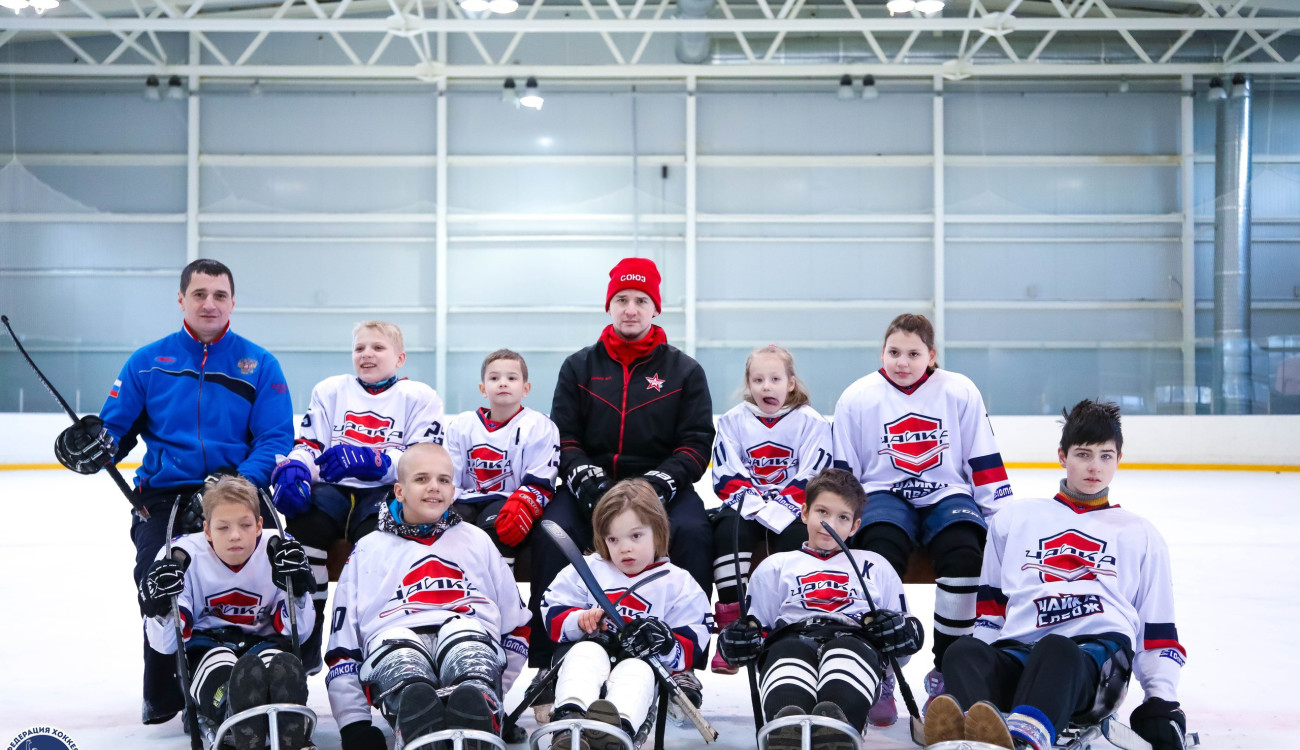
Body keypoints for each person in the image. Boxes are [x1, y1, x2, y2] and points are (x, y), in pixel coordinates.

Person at [52, 258, 295, 725]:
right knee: (160, 577)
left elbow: (275, 439)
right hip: (166, 494)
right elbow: (115, 432)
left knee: (272, 568)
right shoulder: (147, 362)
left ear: (233, 303)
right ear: (181, 299)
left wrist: (235, 487)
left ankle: (267, 672)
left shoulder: (260, 364)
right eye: (199, 294)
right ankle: (169, 693)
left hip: (239, 488)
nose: (209, 304)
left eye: (219, 295)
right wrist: (91, 446)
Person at [923, 400, 1188, 750]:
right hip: (1021, 655)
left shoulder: (1140, 534)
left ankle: (1025, 738)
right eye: (1083, 454)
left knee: (1056, 648)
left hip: (1095, 664)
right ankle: (978, 730)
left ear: (1119, 459)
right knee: (962, 652)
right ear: (1062, 456)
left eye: (1106, 456)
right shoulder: (1014, 520)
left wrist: (1161, 699)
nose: (1095, 467)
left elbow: (1157, 632)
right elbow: (990, 613)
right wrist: (977, 668)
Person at [529, 257, 716, 718]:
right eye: (622, 300)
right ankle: (549, 660)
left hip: (659, 485)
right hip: (592, 485)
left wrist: (662, 481)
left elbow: (696, 441)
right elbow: (563, 435)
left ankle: (682, 665)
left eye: (641, 300)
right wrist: (583, 476)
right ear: (609, 306)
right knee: (552, 532)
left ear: (655, 308)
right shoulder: (579, 366)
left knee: (694, 532)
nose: (631, 309)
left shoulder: (685, 370)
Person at [832, 312, 1012, 718]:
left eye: (913, 354)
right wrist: (842, 521)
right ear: (882, 352)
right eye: (894, 352)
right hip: (881, 493)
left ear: (931, 355)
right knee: (878, 557)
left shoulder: (959, 390)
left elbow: (982, 457)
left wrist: (1001, 520)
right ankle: (880, 668)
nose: (902, 362)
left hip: (948, 493)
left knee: (965, 555)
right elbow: (845, 472)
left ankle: (948, 670)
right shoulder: (857, 397)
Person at [324, 442, 531, 750]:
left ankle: (476, 713)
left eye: (443, 480)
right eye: (421, 479)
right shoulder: (368, 548)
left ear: (454, 490)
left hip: (468, 638)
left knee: (465, 639)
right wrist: (355, 724)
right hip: (395, 643)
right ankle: (418, 724)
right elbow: (343, 645)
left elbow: (517, 627)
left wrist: (495, 694)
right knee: (400, 653)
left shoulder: (477, 541)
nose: (434, 487)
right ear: (399, 491)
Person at [269, 320, 444, 672]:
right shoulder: (330, 390)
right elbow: (310, 446)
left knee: (378, 543)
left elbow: (424, 460)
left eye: (378, 347)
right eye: (359, 348)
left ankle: (370, 640)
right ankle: (305, 636)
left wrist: (376, 461)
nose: (367, 354)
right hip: (332, 490)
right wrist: (296, 468)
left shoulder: (419, 397)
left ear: (400, 358)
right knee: (304, 529)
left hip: (385, 491)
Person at [718, 468, 923, 749]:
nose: (830, 524)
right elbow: (757, 629)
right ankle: (786, 728)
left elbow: (907, 636)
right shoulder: (775, 566)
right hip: (792, 638)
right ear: (804, 513)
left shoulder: (876, 565)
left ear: (855, 526)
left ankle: (838, 729)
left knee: (847, 652)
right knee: (786, 651)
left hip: (855, 640)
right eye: (822, 512)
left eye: (842, 517)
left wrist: (900, 632)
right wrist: (738, 641)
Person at [139, 475, 315, 750]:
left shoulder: (279, 548)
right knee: (223, 669)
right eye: (223, 527)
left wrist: (299, 594)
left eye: (245, 525)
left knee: (281, 668)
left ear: (259, 525)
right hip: (207, 646)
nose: (235, 535)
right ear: (207, 530)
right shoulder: (179, 555)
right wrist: (161, 611)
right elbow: (167, 644)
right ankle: (234, 715)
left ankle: (285, 718)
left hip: (264, 642)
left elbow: (298, 632)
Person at [540, 479, 712, 748]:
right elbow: (553, 609)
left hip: (640, 663)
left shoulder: (678, 583)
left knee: (638, 671)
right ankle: (570, 725)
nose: (625, 547)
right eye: (613, 539)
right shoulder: (587, 569)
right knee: (586, 653)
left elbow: (693, 638)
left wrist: (666, 641)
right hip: (589, 651)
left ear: (658, 532)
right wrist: (579, 620)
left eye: (636, 536)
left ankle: (616, 733)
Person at [709, 345, 833, 675]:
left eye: (775, 379)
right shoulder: (733, 421)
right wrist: (756, 505)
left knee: (798, 540)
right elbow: (725, 473)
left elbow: (815, 475)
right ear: (748, 384)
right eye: (758, 379)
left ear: (790, 383)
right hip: (747, 506)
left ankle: (787, 628)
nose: (767, 386)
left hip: (793, 508)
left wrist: (779, 508)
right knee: (727, 531)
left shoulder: (811, 422)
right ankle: (733, 631)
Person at [447, 348, 560, 567]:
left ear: (526, 388)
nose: (502, 383)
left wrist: (524, 504)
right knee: (447, 530)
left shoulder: (539, 425)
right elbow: (449, 478)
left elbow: (541, 480)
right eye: (494, 378)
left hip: (508, 501)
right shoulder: (461, 425)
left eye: (511, 378)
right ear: (483, 389)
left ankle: (500, 585)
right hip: (467, 500)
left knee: (498, 528)